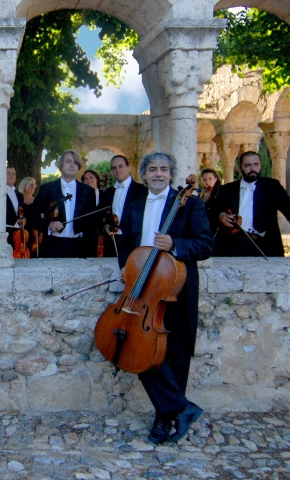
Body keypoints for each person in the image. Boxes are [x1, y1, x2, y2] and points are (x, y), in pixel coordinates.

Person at [117, 152, 213, 445]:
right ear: (144, 175)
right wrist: (123, 266)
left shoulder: (190, 203)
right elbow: (125, 243)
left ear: (171, 174)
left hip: (174, 290)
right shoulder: (133, 206)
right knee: (137, 353)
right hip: (141, 290)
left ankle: (164, 418)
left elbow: (206, 245)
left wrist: (175, 244)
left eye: (164, 169)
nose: (158, 174)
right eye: (153, 169)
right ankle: (181, 409)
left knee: (175, 356)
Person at [214, 151, 290, 257]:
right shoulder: (227, 189)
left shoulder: (272, 186)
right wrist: (221, 215)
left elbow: (288, 209)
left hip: (264, 245)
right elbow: (213, 211)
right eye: (247, 165)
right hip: (232, 246)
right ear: (239, 168)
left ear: (260, 165)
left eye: (256, 164)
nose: (252, 169)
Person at [31, 149, 97, 258]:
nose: (72, 165)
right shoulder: (47, 189)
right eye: (68, 161)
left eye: (75, 162)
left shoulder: (88, 191)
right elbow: (33, 216)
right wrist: (48, 225)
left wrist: (92, 255)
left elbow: (92, 224)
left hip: (79, 247)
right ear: (60, 165)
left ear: (79, 167)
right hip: (53, 246)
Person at [100, 155, 148, 257]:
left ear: (128, 167)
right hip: (112, 240)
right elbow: (101, 215)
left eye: (120, 166)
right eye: (114, 168)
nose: (117, 170)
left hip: (133, 241)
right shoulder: (108, 193)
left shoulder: (142, 191)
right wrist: (104, 225)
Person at [5, 165, 25, 249]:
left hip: (18, 230)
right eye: (8, 173)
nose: (11, 176)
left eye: (13, 174)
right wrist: (14, 220)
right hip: (6, 229)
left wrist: (24, 218)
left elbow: (22, 211)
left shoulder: (19, 195)